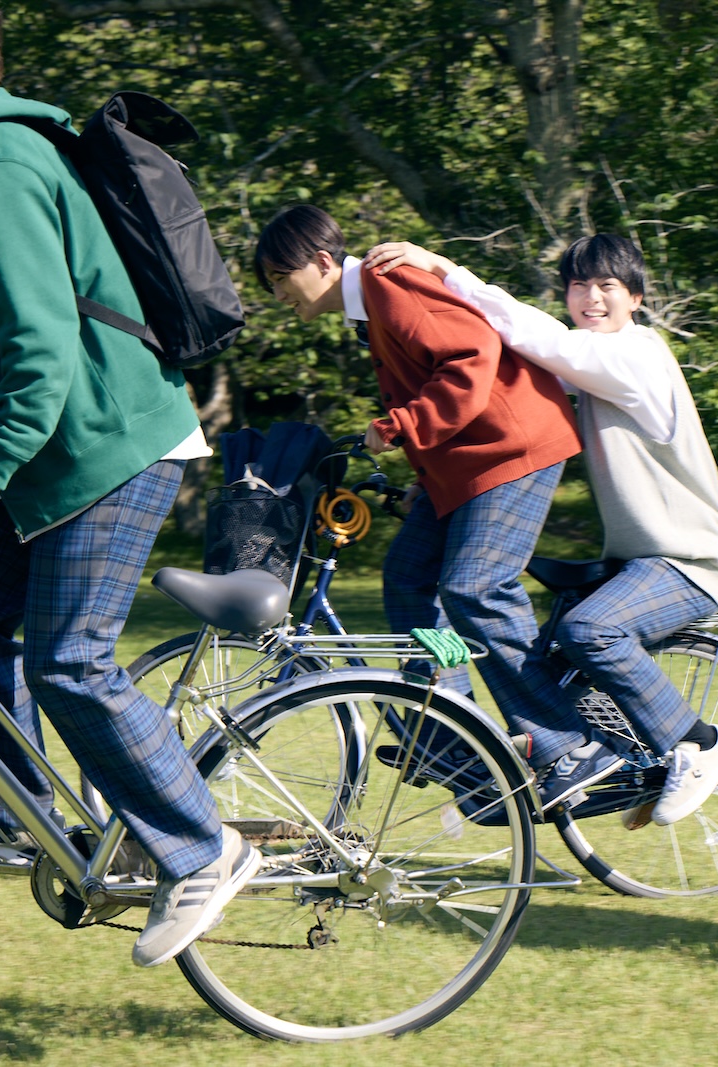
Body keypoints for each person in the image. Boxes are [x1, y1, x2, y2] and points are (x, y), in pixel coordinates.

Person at [0, 0, 257, 968]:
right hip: (49, 444)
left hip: (106, 443)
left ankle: (203, 848)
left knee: (71, 660)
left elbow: (42, 337)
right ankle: (14, 817)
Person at [360, 235, 718, 826]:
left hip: (687, 562)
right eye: (578, 285)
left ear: (635, 297)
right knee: (493, 620)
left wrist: (446, 270)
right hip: (632, 562)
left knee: (581, 626)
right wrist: (435, 477)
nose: (591, 298)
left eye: (607, 286)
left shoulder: (634, 357)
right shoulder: (590, 364)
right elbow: (505, 400)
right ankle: (474, 717)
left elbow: (535, 339)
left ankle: (699, 742)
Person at [253, 206, 611, 809]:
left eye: (277, 278)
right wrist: (426, 472)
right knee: (410, 577)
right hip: (465, 466)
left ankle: (570, 745)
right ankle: (450, 734)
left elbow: (471, 358)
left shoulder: (385, 281)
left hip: (514, 446)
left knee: (476, 588)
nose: (276, 294)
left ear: (319, 263)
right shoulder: (368, 304)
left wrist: (399, 425)